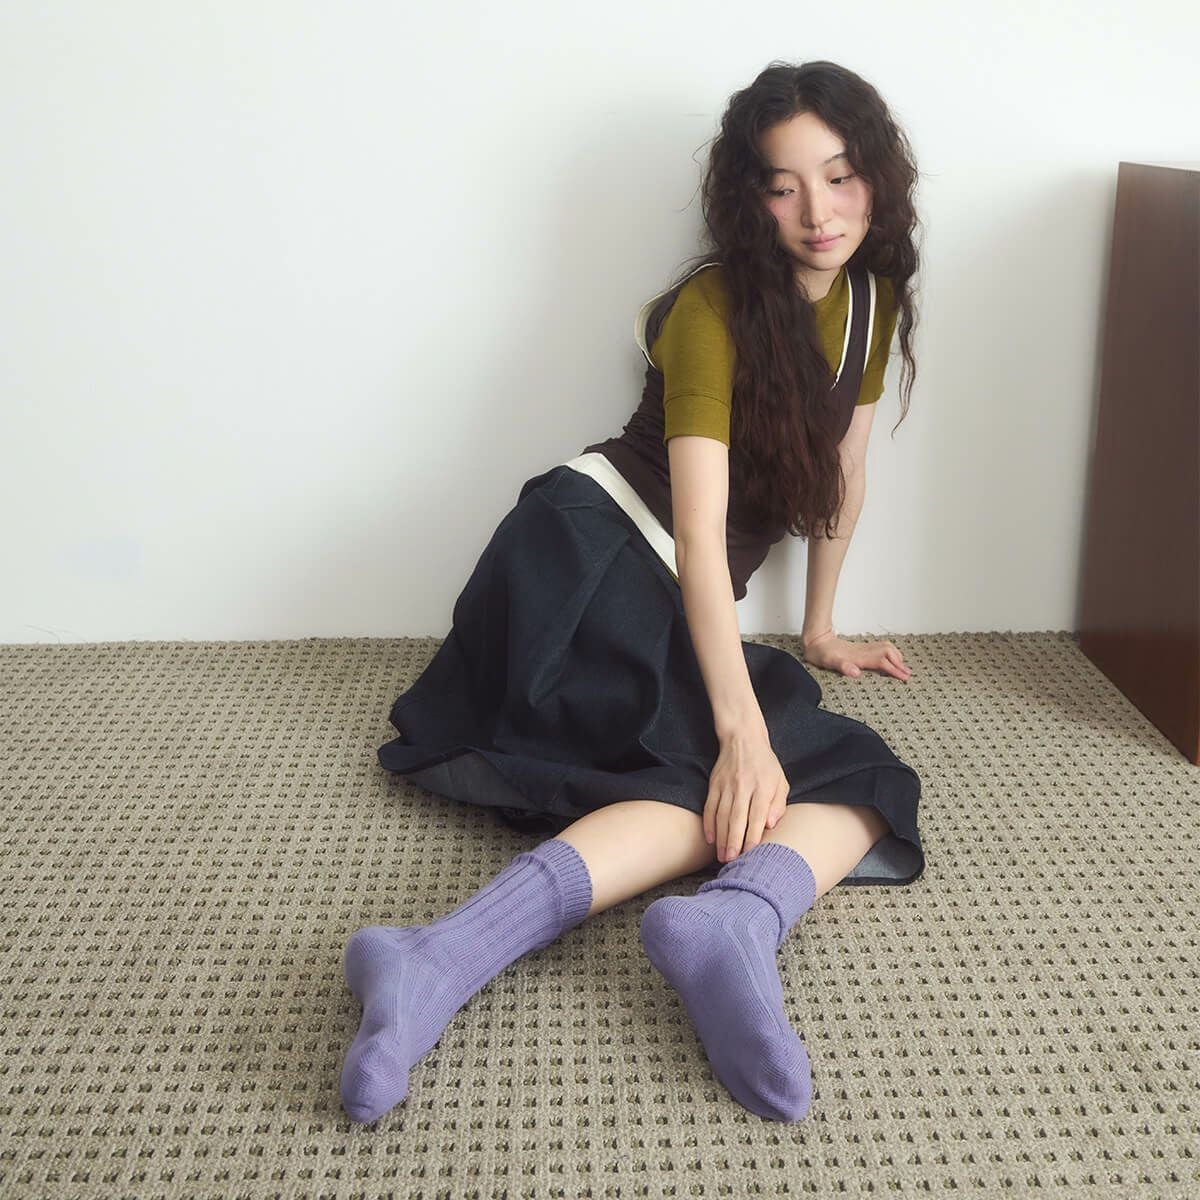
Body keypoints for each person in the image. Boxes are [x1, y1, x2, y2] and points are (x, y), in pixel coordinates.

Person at [341, 59, 925, 1126]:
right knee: (738, 766)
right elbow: (700, 534)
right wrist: (741, 729)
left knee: (849, 774)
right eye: (783, 186)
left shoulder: (871, 302)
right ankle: (449, 954)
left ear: (877, 178)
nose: (818, 212)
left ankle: (729, 920)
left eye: (840, 177)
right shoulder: (712, 308)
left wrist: (820, 628)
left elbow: (844, 469)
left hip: (667, 592)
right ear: (747, 199)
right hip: (587, 558)